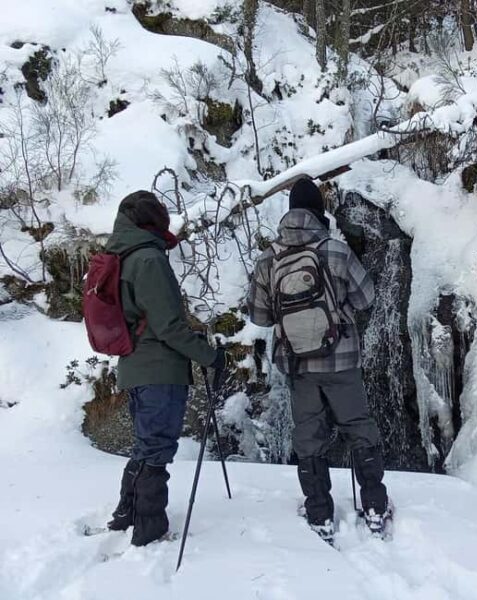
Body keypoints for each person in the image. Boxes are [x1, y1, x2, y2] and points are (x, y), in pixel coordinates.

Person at [246, 177, 390, 543]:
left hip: (297, 363)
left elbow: (259, 317)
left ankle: (319, 513)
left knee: (308, 437)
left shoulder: (269, 259)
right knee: (358, 427)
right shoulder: (336, 250)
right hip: (341, 359)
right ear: (319, 211)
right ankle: (375, 507)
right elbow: (366, 298)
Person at [103, 190, 227, 546]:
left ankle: (126, 515)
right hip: (159, 369)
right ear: (152, 220)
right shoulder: (148, 259)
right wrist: (210, 356)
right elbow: (169, 327)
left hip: (135, 366)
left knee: (146, 445)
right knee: (156, 449)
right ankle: (150, 529)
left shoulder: (123, 254)